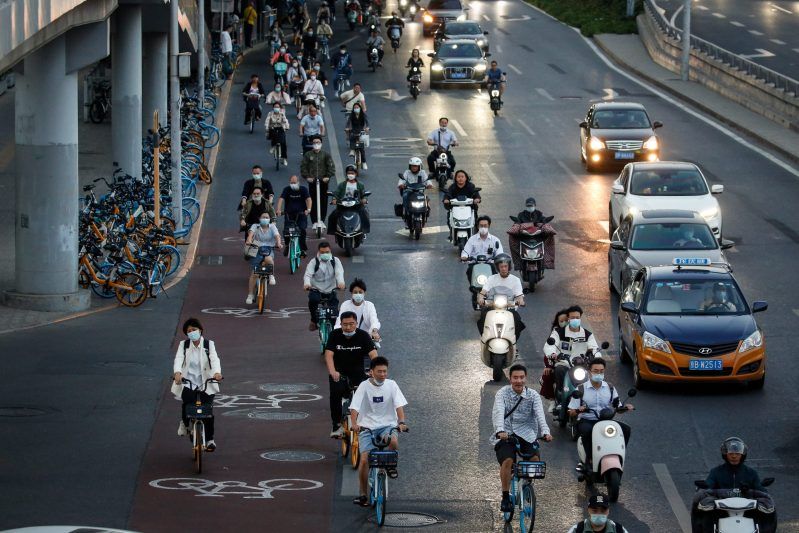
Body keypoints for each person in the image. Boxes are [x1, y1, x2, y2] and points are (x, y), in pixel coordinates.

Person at [491, 364, 552, 513]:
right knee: (507, 461)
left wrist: (546, 432)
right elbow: (498, 412)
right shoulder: (502, 393)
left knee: (534, 461)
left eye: (521, 377)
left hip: (527, 432)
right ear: (510, 379)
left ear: (526, 378)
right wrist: (500, 430)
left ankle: (525, 486)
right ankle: (505, 496)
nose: (518, 381)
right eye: (515, 378)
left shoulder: (533, 395)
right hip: (506, 433)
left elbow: (540, 415)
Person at [349, 356, 408, 507]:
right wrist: (354, 424)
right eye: (379, 371)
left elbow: (399, 406)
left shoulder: (392, 385)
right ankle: (363, 494)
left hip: (387, 425)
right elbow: (354, 407)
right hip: (367, 427)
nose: (383, 374)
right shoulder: (364, 386)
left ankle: (391, 466)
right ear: (371, 372)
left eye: (385, 371)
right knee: (364, 460)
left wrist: (401, 422)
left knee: (393, 441)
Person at [691, 437, 776, 533]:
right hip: (720, 509)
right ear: (725, 454)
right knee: (701, 510)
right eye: (731, 454)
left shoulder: (751, 473)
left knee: (770, 508)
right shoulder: (716, 472)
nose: (734, 456)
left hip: (748, 509)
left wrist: (748, 489)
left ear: (742, 455)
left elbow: (760, 490)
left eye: (737, 454)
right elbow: (709, 485)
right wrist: (705, 485)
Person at [567, 358, 633, 466]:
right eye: (596, 371)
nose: (599, 373)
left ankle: (619, 454)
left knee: (626, 429)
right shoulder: (581, 389)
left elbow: (618, 407)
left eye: (601, 371)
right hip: (587, 420)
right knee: (587, 431)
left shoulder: (610, 388)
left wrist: (625, 408)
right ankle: (589, 459)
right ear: (589, 372)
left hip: (605, 421)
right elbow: (571, 412)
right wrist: (578, 410)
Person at [172, 318, 223, 452]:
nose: (192, 332)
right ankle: (185, 423)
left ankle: (210, 440)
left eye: (194, 329)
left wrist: (217, 373)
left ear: (200, 330)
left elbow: (214, 359)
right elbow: (178, 359)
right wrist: (177, 373)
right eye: (189, 331)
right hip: (188, 381)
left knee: (208, 411)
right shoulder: (184, 345)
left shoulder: (208, 344)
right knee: (187, 404)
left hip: (206, 381)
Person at [325, 310, 378, 437]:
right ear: (341, 324)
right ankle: (336, 425)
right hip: (339, 373)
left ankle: (370, 422)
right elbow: (329, 355)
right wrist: (332, 372)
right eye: (345, 324)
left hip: (358, 372)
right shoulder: (334, 335)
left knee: (368, 395)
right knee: (335, 395)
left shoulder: (363, 335)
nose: (348, 327)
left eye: (351, 324)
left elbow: (373, 355)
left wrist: (374, 370)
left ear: (356, 323)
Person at [544, 305, 601, 402]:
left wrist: (596, 357)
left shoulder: (588, 334)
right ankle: (560, 397)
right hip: (564, 363)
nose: (575, 320)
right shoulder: (558, 332)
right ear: (568, 318)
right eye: (573, 317)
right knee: (559, 370)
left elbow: (595, 348)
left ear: (580, 318)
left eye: (577, 317)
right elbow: (549, 345)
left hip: (582, 366)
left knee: (595, 378)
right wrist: (553, 353)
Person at [477, 253, 526, 336]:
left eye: (505, 266)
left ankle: (513, 341)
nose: (503, 269)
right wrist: (480, 298)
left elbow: (519, 295)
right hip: (492, 307)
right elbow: (483, 291)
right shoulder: (491, 278)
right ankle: (485, 339)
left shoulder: (515, 280)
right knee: (482, 320)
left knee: (517, 321)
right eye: (501, 267)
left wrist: (520, 301)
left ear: (509, 267)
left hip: (509, 308)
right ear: (498, 268)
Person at [304, 241, 345, 330]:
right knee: (313, 301)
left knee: (335, 314)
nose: (325, 254)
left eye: (327, 252)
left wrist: (341, 283)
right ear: (318, 252)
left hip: (331, 290)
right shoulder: (313, 262)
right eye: (322, 252)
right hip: (316, 290)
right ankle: (314, 321)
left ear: (330, 251)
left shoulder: (335, 261)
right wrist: (307, 284)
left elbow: (339, 273)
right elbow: (308, 275)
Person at [245, 212, 283, 302]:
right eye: (263, 217)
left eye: (267, 217)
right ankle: (250, 295)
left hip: (268, 249)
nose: (265, 219)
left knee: (269, 259)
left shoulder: (272, 227)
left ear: (269, 219)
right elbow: (250, 235)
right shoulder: (255, 226)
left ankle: (271, 275)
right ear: (259, 218)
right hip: (256, 248)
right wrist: (249, 240)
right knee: (254, 274)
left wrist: (279, 243)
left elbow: (277, 236)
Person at [461, 215, 503, 295]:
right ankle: (474, 289)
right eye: (481, 226)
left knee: (496, 274)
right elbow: (466, 251)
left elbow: (500, 253)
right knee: (469, 271)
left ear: (489, 226)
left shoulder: (495, 240)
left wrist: (499, 258)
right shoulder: (472, 239)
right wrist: (464, 257)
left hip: (490, 264)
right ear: (478, 226)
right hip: (475, 264)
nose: (483, 227)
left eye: (485, 225)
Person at [301, 136, 336, 230]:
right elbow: (303, 167)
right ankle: (314, 221)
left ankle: (322, 220)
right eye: (314, 142)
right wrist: (307, 177)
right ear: (312, 144)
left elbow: (331, 167)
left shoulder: (326, 155)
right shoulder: (308, 155)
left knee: (323, 201)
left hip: (323, 181)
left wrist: (327, 176)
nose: (316, 144)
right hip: (312, 181)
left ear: (321, 143)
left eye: (318, 142)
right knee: (312, 200)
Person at [327, 165, 370, 236]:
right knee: (332, 216)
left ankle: (363, 231)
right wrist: (334, 199)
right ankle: (334, 232)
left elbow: (364, 194)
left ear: (356, 174)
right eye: (349, 173)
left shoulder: (360, 184)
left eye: (352, 173)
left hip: (356, 206)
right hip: (343, 206)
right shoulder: (342, 185)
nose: (350, 175)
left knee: (364, 214)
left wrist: (364, 199)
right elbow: (336, 193)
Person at [335, 278, 381, 343]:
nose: (358, 294)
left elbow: (374, 320)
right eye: (355, 292)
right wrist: (337, 333)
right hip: (348, 335)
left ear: (364, 293)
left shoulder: (369, 305)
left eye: (360, 292)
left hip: (366, 336)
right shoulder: (345, 305)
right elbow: (339, 320)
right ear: (351, 293)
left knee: (375, 343)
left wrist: (374, 331)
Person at [540, 309, 569, 408]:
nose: (564, 323)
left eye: (566, 320)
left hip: (576, 365)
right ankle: (553, 399)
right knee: (548, 374)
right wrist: (549, 365)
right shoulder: (556, 334)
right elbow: (549, 349)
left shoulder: (582, 333)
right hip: (559, 363)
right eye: (561, 321)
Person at [276, 175, 312, 255]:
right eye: (291, 183)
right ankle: (287, 245)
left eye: (294, 183)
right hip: (289, 214)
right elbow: (281, 199)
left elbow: (308, 199)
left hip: (301, 214)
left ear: (298, 182)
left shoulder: (303, 189)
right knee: (286, 231)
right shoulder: (286, 189)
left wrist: (308, 209)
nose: (293, 184)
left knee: (302, 230)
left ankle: (303, 249)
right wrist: (278, 210)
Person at [443, 169, 481, 234]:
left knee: (475, 220)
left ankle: (475, 234)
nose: (460, 178)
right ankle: (452, 233)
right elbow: (448, 194)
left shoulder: (470, 186)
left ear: (466, 178)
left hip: (469, 208)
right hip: (455, 208)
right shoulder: (452, 187)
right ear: (455, 178)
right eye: (458, 177)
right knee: (449, 220)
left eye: (462, 177)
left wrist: (477, 199)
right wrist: (446, 199)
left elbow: (476, 194)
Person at [345, 103, 369, 170]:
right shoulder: (351, 115)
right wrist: (347, 128)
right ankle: (352, 150)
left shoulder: (363, 115)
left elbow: (367, 122)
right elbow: (348, 122)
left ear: (360, 108)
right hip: (354, 130)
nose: (356, 109)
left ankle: (364, 162)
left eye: (357, 107)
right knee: (351, 136)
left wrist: (367, 127)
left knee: (362, 149)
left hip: (361, 130)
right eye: (355, 108)